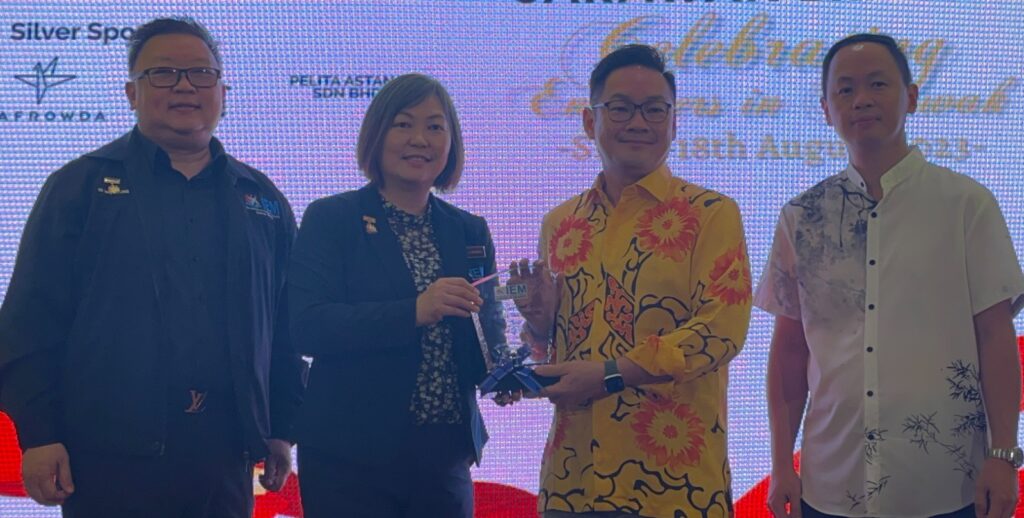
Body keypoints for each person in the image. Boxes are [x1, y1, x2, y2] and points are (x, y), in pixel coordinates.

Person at [0, 17, 306, 517]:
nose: (185, 86)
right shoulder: (79, 187)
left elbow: (285, 328)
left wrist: (280, 429)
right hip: (107, 454)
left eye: (201, 73)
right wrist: (39, 434)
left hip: (224, 455)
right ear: (132, 93)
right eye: (163, 73)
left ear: (223, 93)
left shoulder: (262, 200)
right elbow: (29, 320)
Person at [757, 33, 1024, 518]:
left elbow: (995, 338)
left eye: (877, 84)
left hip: (946, 485)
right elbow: (790, 350)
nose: (861, 99)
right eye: (845, 89)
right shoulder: (803, 216)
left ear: (912, 97)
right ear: (826, 110)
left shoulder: (966, 205)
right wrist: (779, 464)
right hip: (831, 484)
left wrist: (1004, 455)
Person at [513, 44, 752, 517]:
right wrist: (540, 326)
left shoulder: (711, 214)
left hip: (674, 484)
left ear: (673, 123)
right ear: (590, 121)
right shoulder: (560, 224)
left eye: (654, 109)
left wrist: (611, 374)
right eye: (620, 108)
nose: (638, 122)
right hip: (572, 480)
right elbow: (554, 356)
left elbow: (721, 331)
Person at [289, 73, 511, 518]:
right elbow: (308, 326)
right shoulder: (333, 218)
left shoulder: (469, 231)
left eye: (435, 126)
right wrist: (414, 311)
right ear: (377, 134)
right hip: (351, 459)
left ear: (451, 142)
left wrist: (516, 357)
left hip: (444, 457)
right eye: (403, 124)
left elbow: (483, 339)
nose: (420, 139)